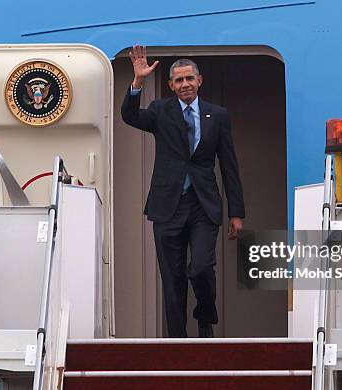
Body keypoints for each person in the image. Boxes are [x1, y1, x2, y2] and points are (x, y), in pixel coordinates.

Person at [121, 45, 245, 338]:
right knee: (172, 277)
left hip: (203, 205)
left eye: (190, 78)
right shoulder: (160, 110)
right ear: (171, 85)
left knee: (201, 267)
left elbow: (229, 165)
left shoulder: (218, 115)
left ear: (199, 80)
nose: (185, 84)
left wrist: (236, 212)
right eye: (179, 80)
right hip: (167, 205)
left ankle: (205, 317)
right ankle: (177, 339)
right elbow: (129, 116)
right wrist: (138, 81)